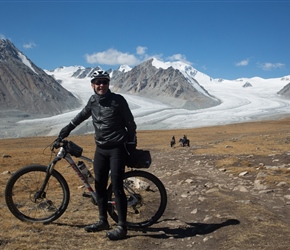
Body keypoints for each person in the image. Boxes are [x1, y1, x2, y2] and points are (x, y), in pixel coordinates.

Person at [57, 70, 137, 240]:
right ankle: (103, 221)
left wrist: (131, 143)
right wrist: (66, 129)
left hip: (117, 149)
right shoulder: (93, 101)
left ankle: (122, 227)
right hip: (100, 149)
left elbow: (130, 123)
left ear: (108, 84)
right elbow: (80, 117)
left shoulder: (118, 100)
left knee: (117, 186)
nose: (101, 85)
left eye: (104, 82)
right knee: (99, 186)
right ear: (92, 85)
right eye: (98, 82)